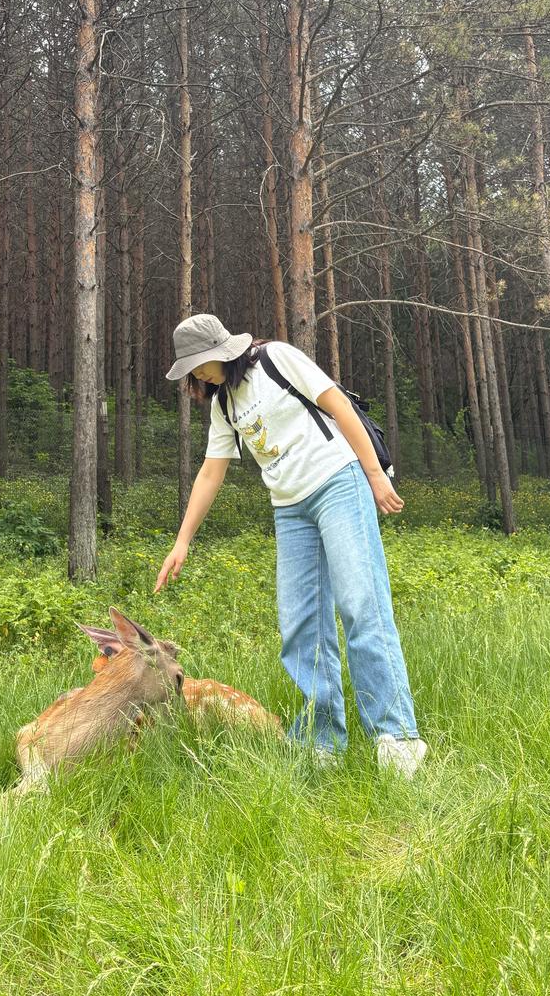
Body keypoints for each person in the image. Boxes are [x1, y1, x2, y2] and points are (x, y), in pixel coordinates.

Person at [154, 313, 427, 777]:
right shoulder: (224, 406)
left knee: (362, 605)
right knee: (300, 624)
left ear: (222, 350)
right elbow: (210, 472)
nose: (197, 374)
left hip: (339, 483)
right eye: (191, 368)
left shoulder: (276, 359)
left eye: (200, 363)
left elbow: (338, 405)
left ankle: (396, 736)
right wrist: (182, 542)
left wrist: (374, 475)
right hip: (290, 509)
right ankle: (323, 741)